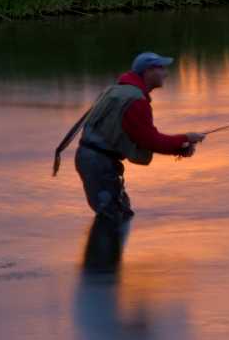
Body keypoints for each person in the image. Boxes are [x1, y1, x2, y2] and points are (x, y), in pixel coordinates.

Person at [55, 52, 206, 220]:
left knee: (119, 216)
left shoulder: (118, 90)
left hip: (94, 160)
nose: (166, 73)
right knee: (115, 219)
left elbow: (136, 136)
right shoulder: (135, 101)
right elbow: (150, 141)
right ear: (148, 72)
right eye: (161, 68)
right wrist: (185, 139)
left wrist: (179, 147)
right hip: (99, 164)